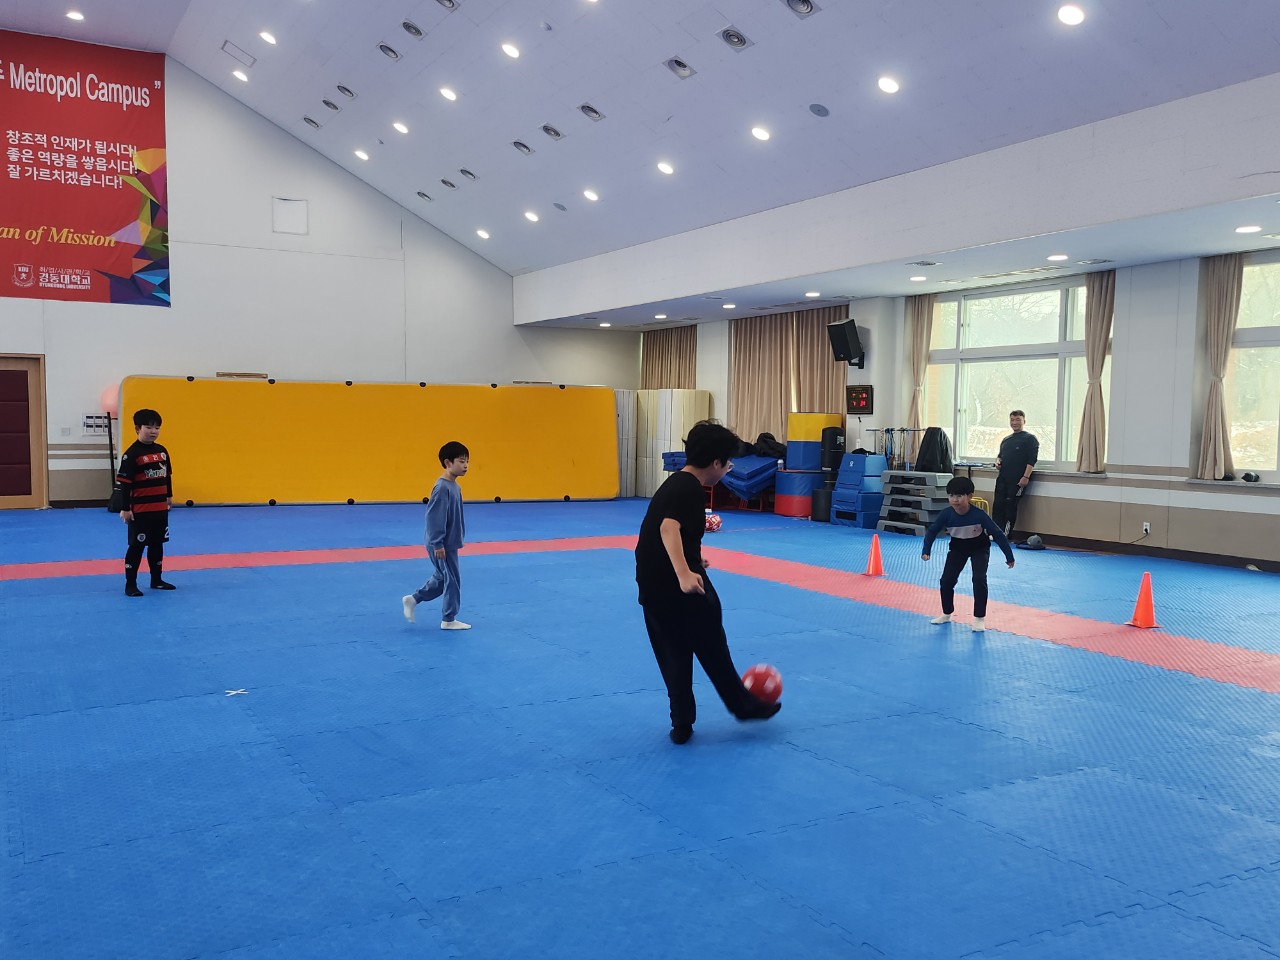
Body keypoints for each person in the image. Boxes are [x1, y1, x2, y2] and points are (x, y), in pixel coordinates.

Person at [635, 420, 781, 744]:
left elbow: (667, 532)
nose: (728, 469)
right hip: (677, 585)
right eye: (728, 463)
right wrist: (685, 573)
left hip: (652, 585)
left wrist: (693, 558)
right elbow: (668, 529)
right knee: (712, 645)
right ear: (715, 462)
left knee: (673, 654)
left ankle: (681, 723)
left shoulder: (675, 484)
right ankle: (742, 705)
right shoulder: (688, 488)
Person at [921, 476, 1015, 633]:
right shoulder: (946, 514)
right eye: (951, 495)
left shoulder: (979, 515)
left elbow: (997, 533)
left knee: (979, 579)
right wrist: (926, 550)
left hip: (979, 548)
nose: (955, 500)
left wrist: (1009, 556)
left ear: (970, 496)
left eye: (959, 496)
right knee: (946, 581)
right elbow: (932, 531)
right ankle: (946, 613)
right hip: (958, 548)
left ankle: (979, 618)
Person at [402, 441, 471, 630]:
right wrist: (438, 543)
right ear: (448, 462)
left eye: (467, 462)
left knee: (442, 578)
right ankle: (448, 619)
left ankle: (413, 599)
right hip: (442, 543)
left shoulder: (455, 487)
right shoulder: (442, 488)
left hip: (449, 541)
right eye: (461, 461)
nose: (466, 466)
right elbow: (434, 517)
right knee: (452, 580)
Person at [116, 408, 176, 597]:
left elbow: (167, 476)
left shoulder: (162, 451)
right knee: (137, 546)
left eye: (157, 428)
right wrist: (125, 508)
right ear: (137, 429)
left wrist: (168, 496)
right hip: (141, 510)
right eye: (148, 427)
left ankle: (156, 579)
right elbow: (125, 484)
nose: (153, 431)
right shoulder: (132, 454)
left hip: (159, 509)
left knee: (157, 544)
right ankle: (130, 584)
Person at [993, 409, 1039, 539]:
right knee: (998, 505)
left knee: (1010, 505)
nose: (1014, 422)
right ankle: (995, 532)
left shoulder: (1030, 439)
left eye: (1018, 419)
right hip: (1003, 478)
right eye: (1012, 420)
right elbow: (1000, 456)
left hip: (1017, 480)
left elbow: (1032, 460)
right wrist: (998, 462)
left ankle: (1006, 534)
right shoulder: (1006, 440)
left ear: (1024, 421)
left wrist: (1025, 477)